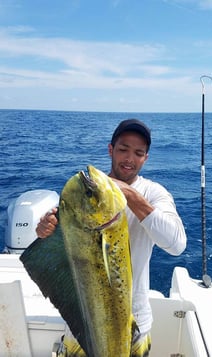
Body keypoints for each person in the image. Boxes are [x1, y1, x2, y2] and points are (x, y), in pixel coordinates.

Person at [36, 119, 187, 357]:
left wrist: (130, 195)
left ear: (145, 158)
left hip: (134, 326)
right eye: (123, 149)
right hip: (82, 323)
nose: (129, 158)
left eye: (138, 153)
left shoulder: (153, 193)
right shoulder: (89, 195)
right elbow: (54, 245)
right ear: (111, 150)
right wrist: (44, 230)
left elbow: (177, 245)